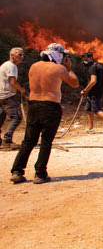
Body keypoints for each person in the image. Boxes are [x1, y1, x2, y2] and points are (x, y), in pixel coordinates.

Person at [10, 43, 79, 184]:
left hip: (34, 106)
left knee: (28, 140)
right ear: (59, 56)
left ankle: (17, 171)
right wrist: (68, 68)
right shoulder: (59, 68)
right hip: (50, 107)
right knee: (46, 141)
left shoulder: (34, 66)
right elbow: (75, 83)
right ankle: (40, 174)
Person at [0, 47, 26, 149]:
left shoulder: (4, 65)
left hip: (1, 96)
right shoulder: (11, 66)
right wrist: (21, 90)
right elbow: (13, 82)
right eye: (19, 55)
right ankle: (7, 140)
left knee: (1, 118)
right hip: (7, 96)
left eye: (22, 55)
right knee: (17, 116)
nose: (21, 57)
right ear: (12, 55)